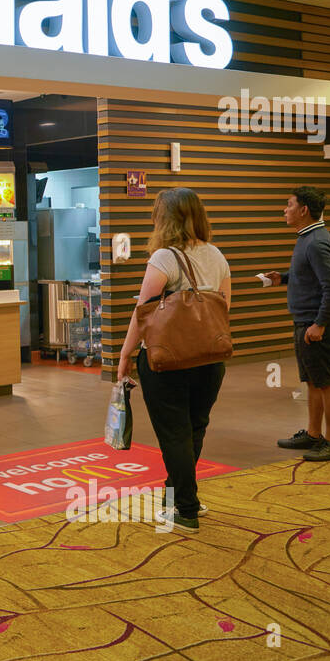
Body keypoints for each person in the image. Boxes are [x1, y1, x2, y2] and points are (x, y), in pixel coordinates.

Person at [117, 187, 231, 533]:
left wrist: (123, 355)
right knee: (194, 428)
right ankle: (182, 496)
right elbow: (224, 307)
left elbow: (144, 314)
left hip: (168, 361)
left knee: (174, 433)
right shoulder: (216, 255)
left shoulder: (165, 258)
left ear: (164, 219)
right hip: (210, 359)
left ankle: (185, 508)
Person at [262, 186, 330, 462]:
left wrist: (320, 324)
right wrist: (284, 278)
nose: (284, 210)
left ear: (304, 210)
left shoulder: (317, 241)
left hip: (316, 325)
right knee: (312, 381)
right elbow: (311, 276)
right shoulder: (308, 238)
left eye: (288, 205)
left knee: (326, 383)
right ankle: (313, 434)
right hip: (306, 322)